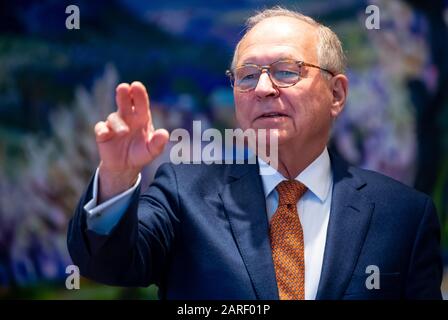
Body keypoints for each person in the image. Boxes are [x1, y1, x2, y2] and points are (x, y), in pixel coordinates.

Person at [67, 7, 443, 299]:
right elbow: (109, 265)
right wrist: (116, 175)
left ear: (337, 94)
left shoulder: (404, 215)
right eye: (247, 76)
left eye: (285, 71)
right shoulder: (185, 192)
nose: (262, 88)